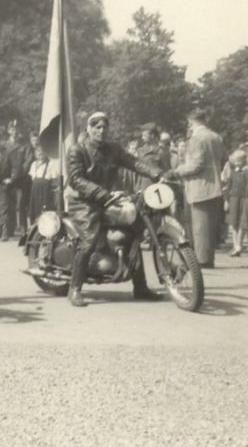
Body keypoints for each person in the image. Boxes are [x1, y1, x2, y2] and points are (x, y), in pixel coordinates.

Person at [65, 112, 164, 307]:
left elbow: (133, 161)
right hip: (83, 202)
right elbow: (76, 179)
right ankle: (74, 289)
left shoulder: (114, 149)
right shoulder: (78, 150)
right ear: (89, 128)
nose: (101, 131)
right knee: (89, 240)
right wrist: (100, 193)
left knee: (135, 230)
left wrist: (155, 172)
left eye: (104, 127)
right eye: (97, 127)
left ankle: (140, 287)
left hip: (108, 199)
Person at [164, 109, 227, 268]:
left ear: (191, 122)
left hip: (198, 186)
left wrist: (176, 171)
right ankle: (207, 257)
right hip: (213, 185)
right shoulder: (216, 137)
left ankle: (201, 260)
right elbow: (225, 158)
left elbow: (196, 165)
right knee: (208, 225)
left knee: (199, 226)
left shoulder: (196, 139)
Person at [27, 144, 60, 224]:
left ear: (45, 153)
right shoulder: (34, 164)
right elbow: (32, 179)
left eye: (42, 152)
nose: (40, 154)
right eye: (38, 152)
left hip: (46, 193)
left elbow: (55, 179)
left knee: (45, 211)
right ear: (35, 154)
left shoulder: (50, 164)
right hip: (35, 192)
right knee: (34, 210)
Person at [135, 122, 171, 191]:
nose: (142, 137)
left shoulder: (161, 151)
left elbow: (167, 170)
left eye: (144, 135)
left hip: (157, 187)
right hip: (141, 187)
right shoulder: (140, 151)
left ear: (152, 135)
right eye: (142, 135)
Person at [224, 149, 246, 257]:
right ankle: (235, 245)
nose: (238, 163)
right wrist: (226, 200)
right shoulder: (232, 173)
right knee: (233, 223)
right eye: (236, 161)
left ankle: (239, 245)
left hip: (243, 199)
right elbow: (228, 187)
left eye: (241, 160)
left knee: (241, 223)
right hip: (233, 199)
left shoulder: (246, 172)